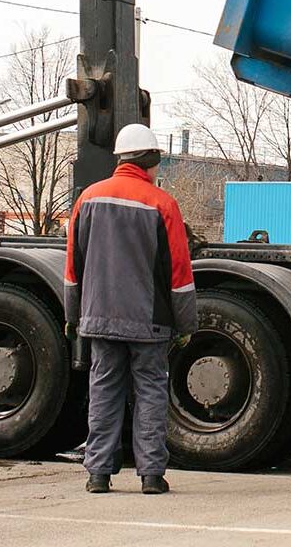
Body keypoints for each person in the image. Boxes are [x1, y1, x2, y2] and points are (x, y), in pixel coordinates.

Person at [63, 123, 196, 494]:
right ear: (150, 161)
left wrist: (73, 316)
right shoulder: (162, 204)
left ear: (121, 159)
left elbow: (74, 264)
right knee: (151, 391)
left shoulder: (88, 199)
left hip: (99, 317)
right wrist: (186, 323)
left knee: (104, 389)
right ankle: (151, 475)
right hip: (149, 321)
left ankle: (98, 475)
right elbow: (179, 273)